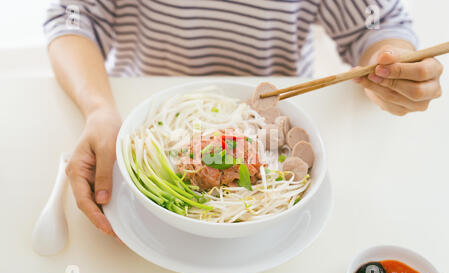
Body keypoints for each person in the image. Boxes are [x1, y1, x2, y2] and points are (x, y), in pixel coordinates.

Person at [44, 0, 443, 235]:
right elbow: (72, 15)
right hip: (142, 115)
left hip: (276, 112)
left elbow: (379, 22)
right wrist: (98, 108)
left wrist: (388, 65)